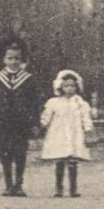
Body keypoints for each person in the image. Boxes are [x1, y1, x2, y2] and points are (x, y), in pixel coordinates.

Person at [0, 37, 45, 197]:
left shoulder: (28, 79)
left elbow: (35, 102)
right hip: (2, 122)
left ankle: (19, 184)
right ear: (4, 59)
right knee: (4, 152)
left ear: (22, 60)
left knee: (20, 152)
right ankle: (8, 185)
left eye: (17, 58)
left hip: (21, 123)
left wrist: (34, 121)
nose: (13, 62)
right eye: (10, 58)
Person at [40, 69, 94, 197]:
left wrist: (87, 129)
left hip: (75, 133)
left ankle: (73, 189)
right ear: (61, 87)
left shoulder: (80, 103)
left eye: (72, 85)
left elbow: (85, 117)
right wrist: (43, 123)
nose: (70, 88)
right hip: (59, 134)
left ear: (77, 87)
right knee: (59, 161)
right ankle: (58, 189)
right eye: (66, 86)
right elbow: (47, 114)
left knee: (72, 161)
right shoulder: (54, 102)